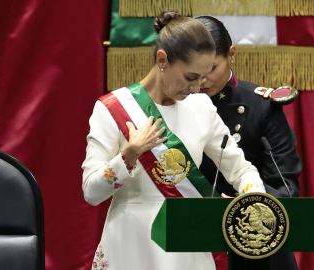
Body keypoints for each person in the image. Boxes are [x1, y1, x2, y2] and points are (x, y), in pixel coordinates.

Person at [82, 11, 267, 270]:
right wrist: (129, 155)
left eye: (203, 78)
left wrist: (254, 201)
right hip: (132, 242)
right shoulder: (112, 109)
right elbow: (91, 192)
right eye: (190, 77)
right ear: (162, 60)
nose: (196, 88)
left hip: (188, 243)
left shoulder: (201, 106)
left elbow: (241, 169)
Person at [196, 16, 302, 270]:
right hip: (193, 236)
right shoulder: (172, 107)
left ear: (231, 54)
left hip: (253, 242)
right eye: (193, 70)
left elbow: (284, 185)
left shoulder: (261, 106)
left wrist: (245, 208)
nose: (201, 80)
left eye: (211, 68)